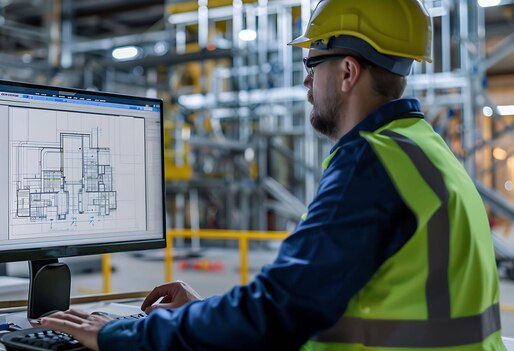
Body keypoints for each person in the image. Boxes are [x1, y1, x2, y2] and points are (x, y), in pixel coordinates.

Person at [41, 0, 506, 349]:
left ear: (346, 71)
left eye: (311, 64)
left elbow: (277, 312)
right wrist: (203, 313)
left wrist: (123, 336)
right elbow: (309, 301)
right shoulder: (424, 147)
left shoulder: (372, 162)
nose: (306, 80)